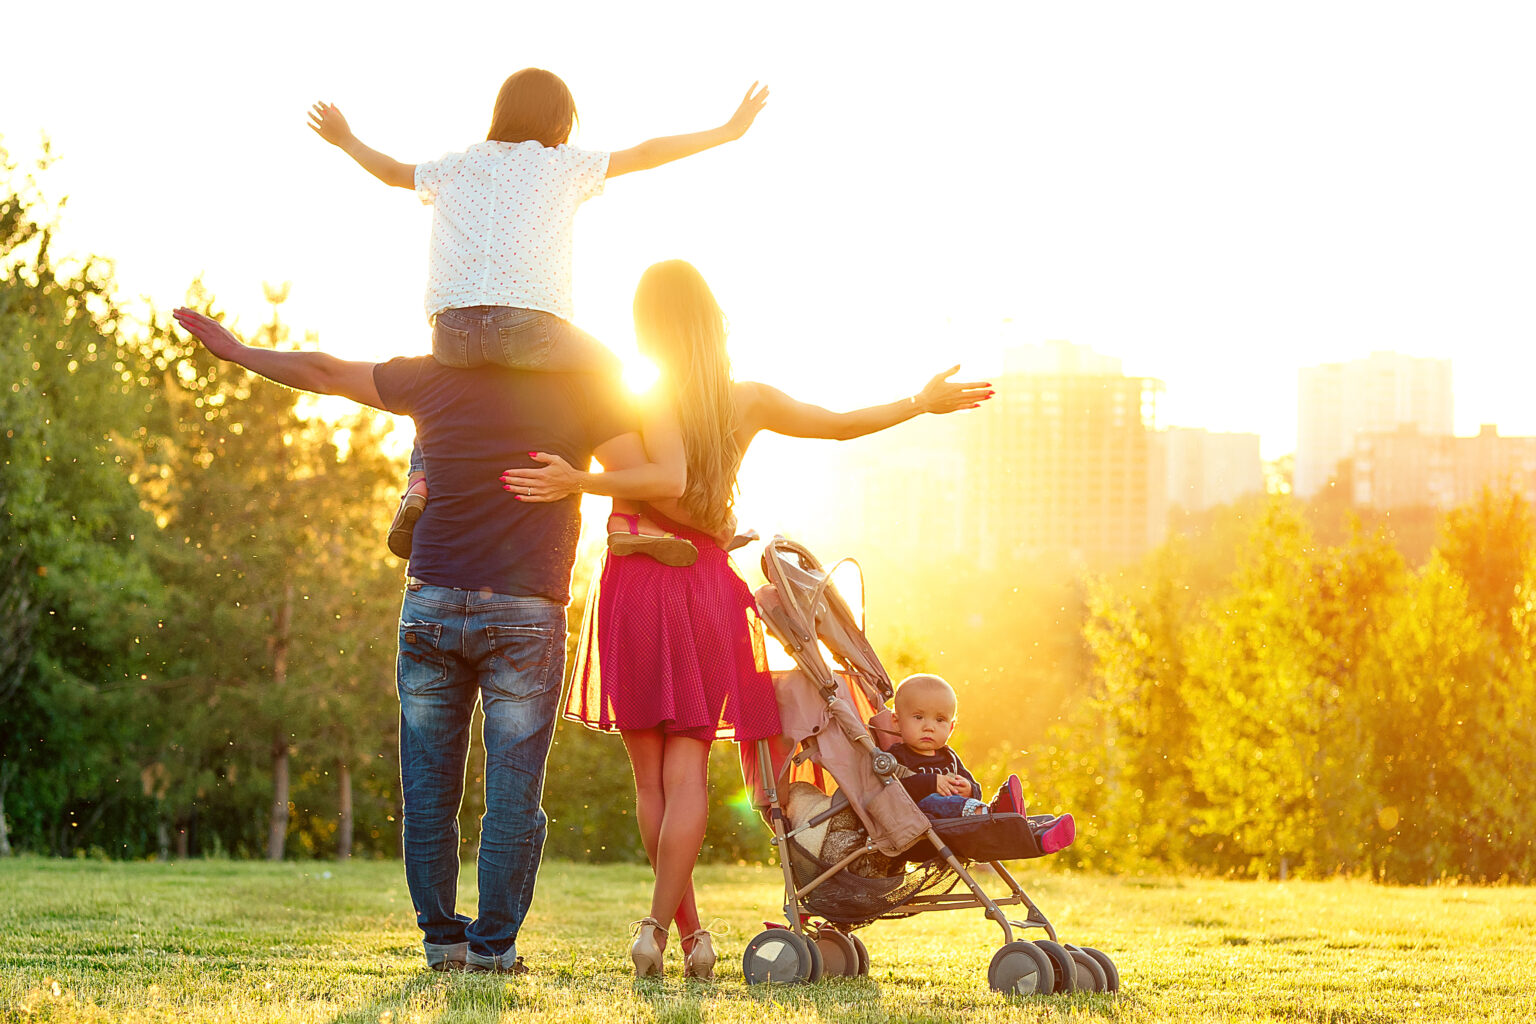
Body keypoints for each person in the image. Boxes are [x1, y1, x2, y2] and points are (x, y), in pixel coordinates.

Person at [498, 260, 994, 979]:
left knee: (650, 784)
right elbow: (837, 427)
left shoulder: (633, 399)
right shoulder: (747, 399)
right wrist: (919, 402)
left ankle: (674, 934)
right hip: (705, 586)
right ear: (713, 322)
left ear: (645, 328)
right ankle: (675, 934)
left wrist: (577, 479)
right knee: (689, 772)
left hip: (636, 585)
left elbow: (645, 481)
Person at [170, 305, 647, 975]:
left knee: (428, 793)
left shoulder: (428, 376)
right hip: (524, 611)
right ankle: (493, 951)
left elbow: (324, 371)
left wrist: (241, 351)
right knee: (513, 797)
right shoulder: (587, 386)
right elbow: (643, 476)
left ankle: (442, 944)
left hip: (430, 604)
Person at [308, 69, 769, 563]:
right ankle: (627, 514)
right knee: (619, 379)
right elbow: (645, 154)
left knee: (438, 385)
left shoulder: (457, 166)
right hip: (529, 329)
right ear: (559, 122)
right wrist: (727, 131)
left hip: (453, 333)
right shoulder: (560, 164)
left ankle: (418, 478)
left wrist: (345, 138)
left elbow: (392, 172)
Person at [888, 673, 1075, 853]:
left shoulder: (949, 757)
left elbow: (976, 790)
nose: (929, 727)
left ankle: (1040, 836)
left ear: (951, 728)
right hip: (925, 825)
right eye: (918, 717)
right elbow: (889, 792)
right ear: (896, 721)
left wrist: (969, 789)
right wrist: (931, 783)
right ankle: (998, 814)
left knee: (971, 807)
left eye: (940, 720)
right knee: (934, 801)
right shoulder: (896, 757)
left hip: (960, 825)